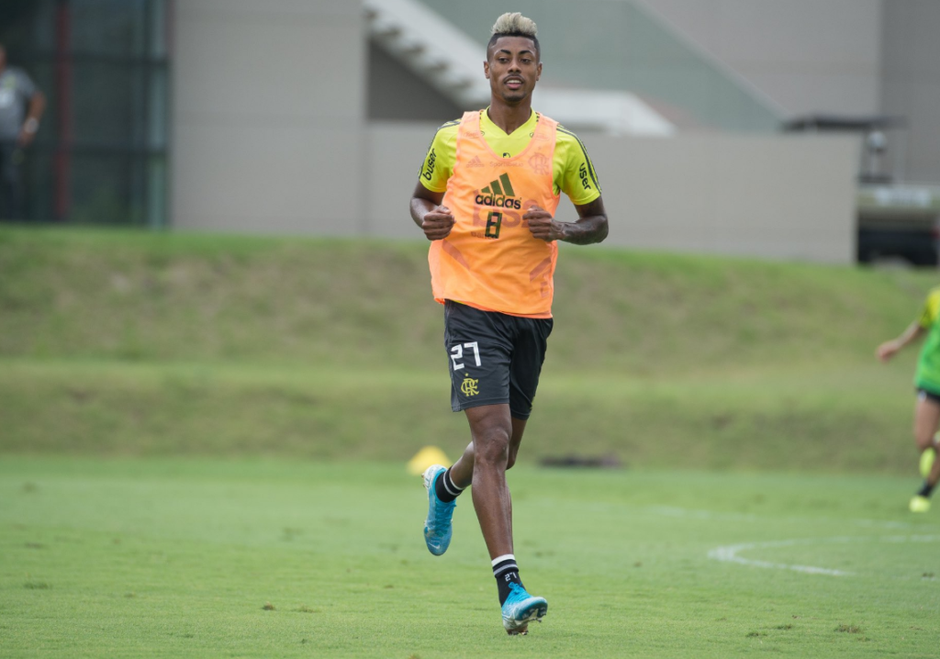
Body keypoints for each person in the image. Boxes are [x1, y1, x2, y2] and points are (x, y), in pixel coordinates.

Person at [409, 12, 609, 635]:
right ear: (488, 68)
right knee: (492, 443)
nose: (514, 67)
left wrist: (565, 229)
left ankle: (445, 487)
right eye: (505, 58)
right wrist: (427, 219)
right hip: (468, 306)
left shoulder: (563, 146)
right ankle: (510, 588)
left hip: (529, 314)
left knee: (504, 452)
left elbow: (598, 220)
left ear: (538, 70)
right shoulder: (453, 137)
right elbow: (420, 195)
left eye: (525, 58)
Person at [876, 285, 940, 512]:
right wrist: (897, 345)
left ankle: (925, 491)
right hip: (932, 377)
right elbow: (921, 326)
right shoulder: (935, 297)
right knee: (923, 441)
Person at [0, 43, 45, 221]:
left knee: (11, 178)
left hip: (12, 139)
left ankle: (13, 221)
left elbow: (38, 99)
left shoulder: (16, 77)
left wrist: (30, 126)